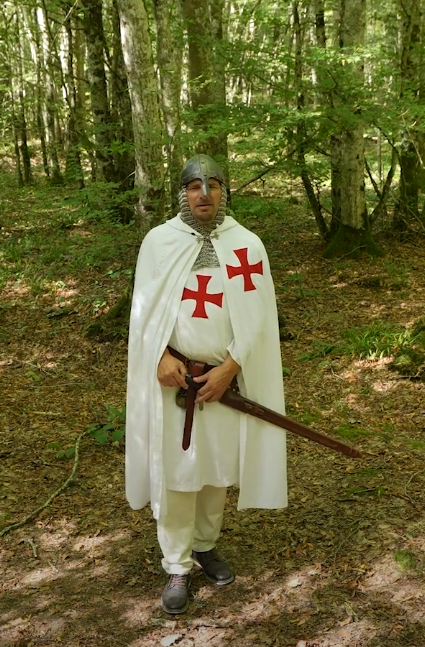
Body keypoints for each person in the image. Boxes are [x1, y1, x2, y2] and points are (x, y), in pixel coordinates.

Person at [125, 154, 288, 615]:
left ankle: (204, 544)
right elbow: (144, 313)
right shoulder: (159, 243)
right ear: (183, 193)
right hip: (176, 381)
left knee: (216, 471)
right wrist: (158, 355)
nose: (203, 194)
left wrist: (231, 368)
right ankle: (176, 564)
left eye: (212, 185)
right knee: (178, 475)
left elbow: (259, 318)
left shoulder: (246, 245)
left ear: (223, 192)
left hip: (221, 383)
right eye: (195, 186)